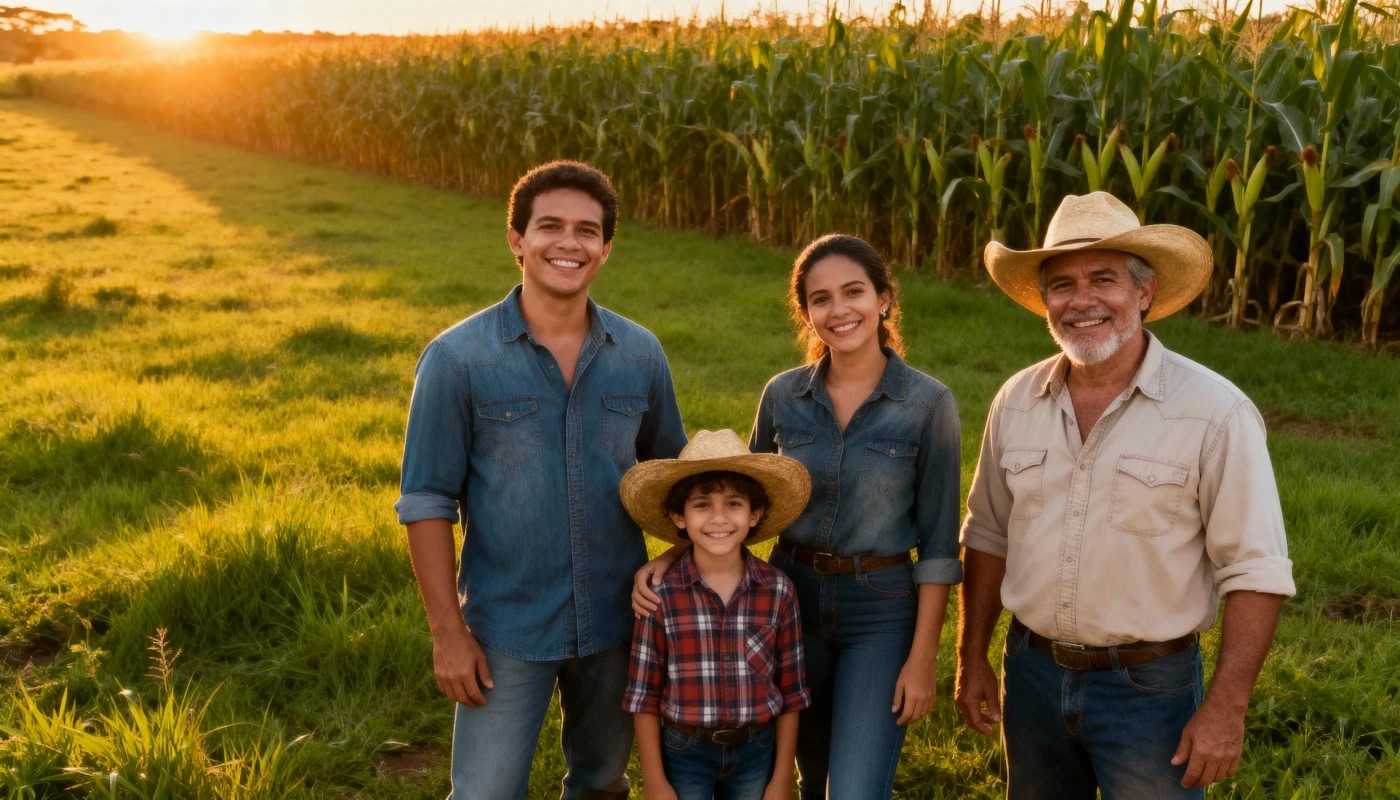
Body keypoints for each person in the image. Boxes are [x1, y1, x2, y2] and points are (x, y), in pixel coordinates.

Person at [955, 191, 1296, 799]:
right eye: (1062, 285)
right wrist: (971, 656)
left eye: (1103, 279)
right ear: (1045, 302)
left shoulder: (1214, 412)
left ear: (1144, 292)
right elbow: (986, 533)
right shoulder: (1016, 401)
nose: (1081, 300)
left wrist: (1227, 708)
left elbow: (1256, 570)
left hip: (1149, 691)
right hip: (1030, 675)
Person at [395, 161, 688, 800]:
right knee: (485, 793)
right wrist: (448, 634)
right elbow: (425, 501)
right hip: (506, 628)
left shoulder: (640, 354)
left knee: (602, 783)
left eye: (587, 231)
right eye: (549, 226)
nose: (568, 243)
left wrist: (668, 564)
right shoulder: (457, 359)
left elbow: (679, 485)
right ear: (517, 240)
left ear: (605, 250)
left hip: (616, 623)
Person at [636, 234, 964, 799]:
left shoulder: (928, 404)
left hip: (880, 609)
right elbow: (741, 500)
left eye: (854, 292)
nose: (839, 310)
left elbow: (938, 547)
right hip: (791, 597)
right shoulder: (783, 395)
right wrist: (671, 555)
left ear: (884, 298)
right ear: (805, 312)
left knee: (854, 789)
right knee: (802, 775)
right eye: (820, 298)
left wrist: (922, 658)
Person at [621, 429, 813, 800]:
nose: (719, 518)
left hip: (757, 751)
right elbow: (643, 695)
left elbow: (792, 692)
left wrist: (781, 780)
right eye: (702, 505)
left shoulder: (778, 591)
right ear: (678, 516)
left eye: (734, 504)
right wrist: (655, 782)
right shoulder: (659, 595)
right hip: (685, 752)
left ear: (755, 514)